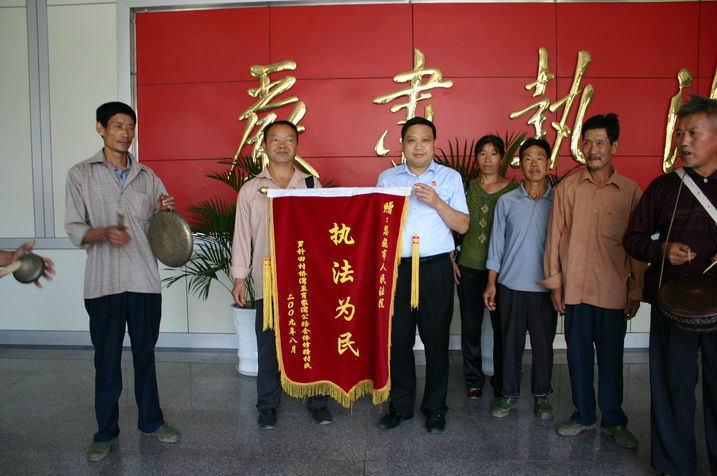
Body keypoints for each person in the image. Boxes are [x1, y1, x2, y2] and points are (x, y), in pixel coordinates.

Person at [65, 102, 180, 462]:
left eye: (130, 126)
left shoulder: (147, 176)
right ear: (101, 128)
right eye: (117, 126)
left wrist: (164, 210)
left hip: (143, 281)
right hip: (103, 283)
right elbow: (73, 227)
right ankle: (105, 432)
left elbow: (159, 228)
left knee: (145, 355)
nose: (125, 133)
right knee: (106, 360)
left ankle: (152, 421)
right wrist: (101, 232)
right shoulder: (80, 174)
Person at [623, 95, 717, 476]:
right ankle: (674, 466)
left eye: (693, 133)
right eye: (680, 134)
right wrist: (661, 250)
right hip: (672, 305)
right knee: (671, 388)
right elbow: (632, 239)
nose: (683, 142)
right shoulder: (664, 188)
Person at [539, 113, 645, 449]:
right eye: (587, 143)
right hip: (576, 290)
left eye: (600, 142)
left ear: (614, 146)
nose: (593, 149)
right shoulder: (568, 189)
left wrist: (636, 287)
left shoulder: (630, 192)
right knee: (578, 357)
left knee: (612, 359)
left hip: (613, 290)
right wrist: (556, 284)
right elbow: (554, 238)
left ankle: (614, 419)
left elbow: (638, 246)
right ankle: (583, 414)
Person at [230, 120, 333, 429]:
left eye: (289, 139)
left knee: (311, 343)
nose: (282, 145)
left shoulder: (311, 185)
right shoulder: (251, 189)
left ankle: (317, 401)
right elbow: (241, 236)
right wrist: (239, 278)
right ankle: (267, 405)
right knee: (268, 346)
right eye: (275, 139)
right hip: (269, 280)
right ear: (264, 146)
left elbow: (326, 232)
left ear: (297, 146)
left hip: (306, 280)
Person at [375, 117, 469, 433]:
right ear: (402, 144)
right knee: (398, 341)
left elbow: (463, 225)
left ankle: (435, 409)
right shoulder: (387, 178)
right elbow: (377, 224)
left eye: (425, 140)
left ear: (434, 144)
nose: (418, 146)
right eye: (411, 140)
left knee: (436, 341)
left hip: (435, 269)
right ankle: (400, 407)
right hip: (398, 270)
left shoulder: (450, 178)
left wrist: (437, 202)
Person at [482, 138, 557, 419]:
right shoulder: (507, 201)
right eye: (528, 158)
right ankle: (509, 394)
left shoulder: (559, 201)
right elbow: (496, 245)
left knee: (543, 346)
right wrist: (491, 283)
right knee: (509, 345)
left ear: (549, 163)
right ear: (520, 164)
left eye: (540, 158)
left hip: (545, 287)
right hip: (510, 285)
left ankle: (542, 395)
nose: (534, 164)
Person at [456, 135, 518, 399]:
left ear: (502, 157)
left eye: (493, 153)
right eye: (482, 153)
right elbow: (452, 225)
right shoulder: (465, 188)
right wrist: (452, 258)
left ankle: (502, 380)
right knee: (470, 327)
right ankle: (473, 380)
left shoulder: (513, 191)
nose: (488, 159)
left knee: (502, 327)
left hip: (503, 271)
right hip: (468, 267)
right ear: (476, 158)